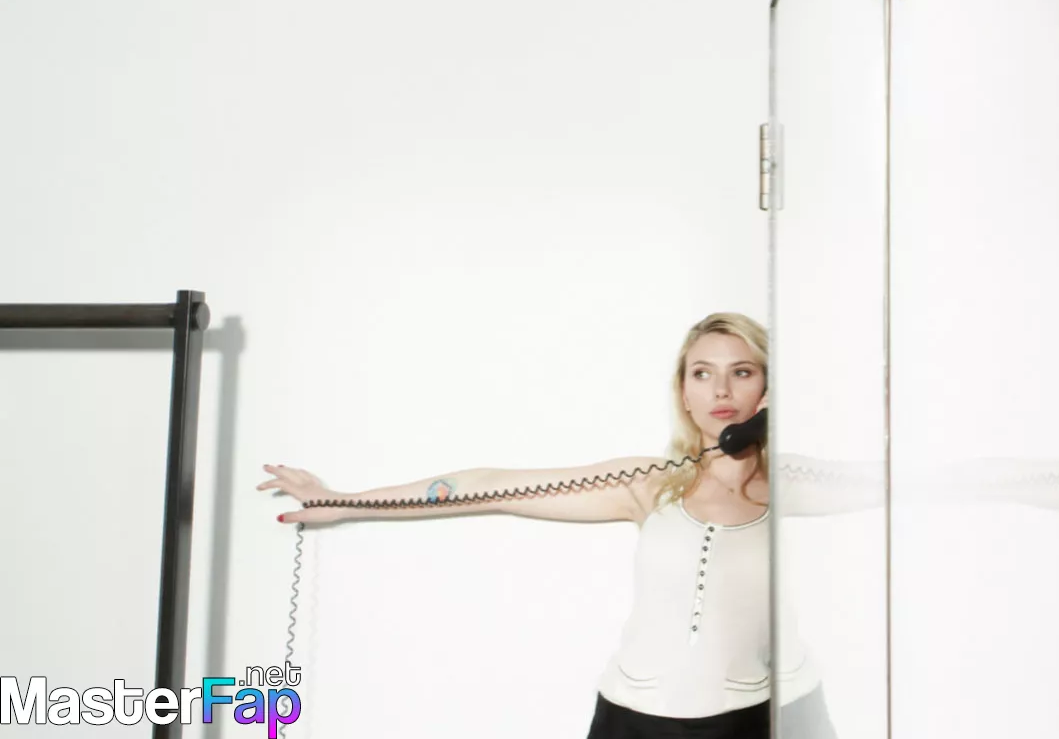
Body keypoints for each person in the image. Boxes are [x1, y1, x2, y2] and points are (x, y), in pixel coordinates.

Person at [258, 312, 838, 739]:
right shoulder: (650, 483)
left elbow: (887, 479)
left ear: (767, 388)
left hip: (751, 722)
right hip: (633, 722)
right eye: (702, 374)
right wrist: (348, 502)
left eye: (741, 372)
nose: (721, 390)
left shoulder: (792, 483)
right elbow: (490, 485)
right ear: (684, 393)